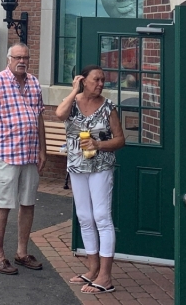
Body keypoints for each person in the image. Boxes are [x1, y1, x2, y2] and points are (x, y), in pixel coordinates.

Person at [0, 43, 46, 275]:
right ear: (9, 59)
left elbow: (39, 118)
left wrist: (43, 150)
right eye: (17, 57)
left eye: (25, 57)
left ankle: (22, 253)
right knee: (3, 204)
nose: (22, 61)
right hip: (5, 154)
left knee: (28, 203)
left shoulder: (34, 83)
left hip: (30, 154)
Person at [56, 64, 125, 295]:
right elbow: (58, 114)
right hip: (77, 167)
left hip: (100, 167)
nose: (101, 83)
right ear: (83, 80)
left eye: (103, 80)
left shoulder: (108, 108)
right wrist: (74, 90)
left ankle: (106, 277)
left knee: (102, 217)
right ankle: (92, 269)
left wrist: (98, 144)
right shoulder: (73, 104)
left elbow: (120, 140)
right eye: (96, 79)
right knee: (84, 217)